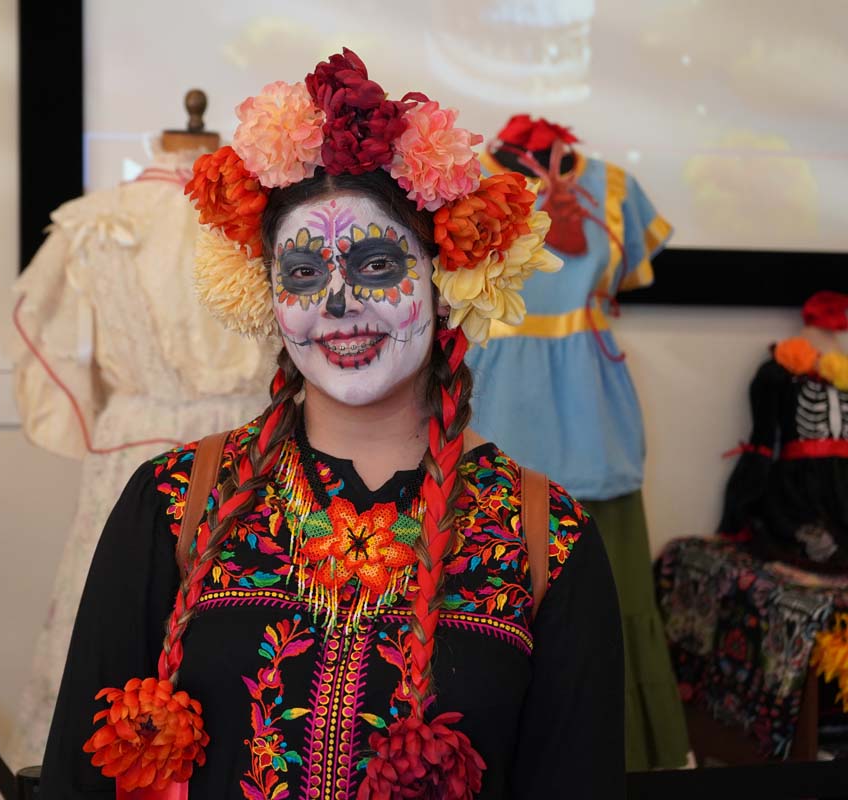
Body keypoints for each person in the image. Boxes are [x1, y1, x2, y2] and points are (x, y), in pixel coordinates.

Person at [41, 49, 624, 798]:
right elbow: (79, 782)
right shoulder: (173, 503)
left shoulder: (547, 539)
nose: (339, 304)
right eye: (305, 274)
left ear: (444, 281)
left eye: (378, 265)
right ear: (270, 296)